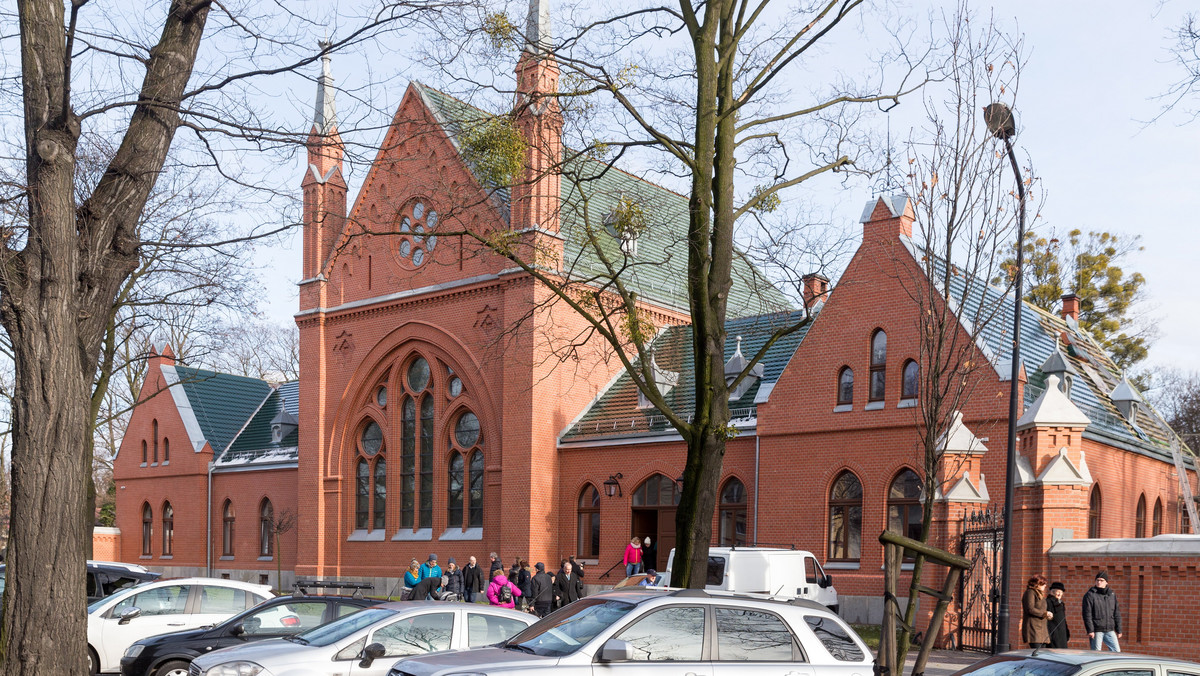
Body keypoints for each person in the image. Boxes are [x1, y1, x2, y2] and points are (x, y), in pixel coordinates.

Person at [1082, 570, 1122, 652]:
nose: (1099, 582)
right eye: (1097, 580)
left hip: (1110, 629)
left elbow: (1116, 613)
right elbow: (1087, 614)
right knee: (1096, 653)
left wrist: (1119, 629)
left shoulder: (1111, 595)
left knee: (1117, 651)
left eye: (1101, 580)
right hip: (1097, 630)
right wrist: (1090, 630)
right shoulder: (1090, 595)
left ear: (1106, 582)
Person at [1022, 574, 1052, 649]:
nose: (1045, 586)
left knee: (1042, 654)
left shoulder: (1040, 594)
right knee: (1037, 653)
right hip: (1034, 629)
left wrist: (1048, 615)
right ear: (1037, 584)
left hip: (1042, 629)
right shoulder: (1030, 592)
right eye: (1043, 584)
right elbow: (1030, 609)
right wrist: (1044, 614)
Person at [1047, 582, 1071, 649]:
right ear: (1052, 592)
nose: (1060, 594)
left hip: (1062, 634)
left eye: (1061, 592)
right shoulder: (1048, 602)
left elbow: (1063, 620)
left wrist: (1067, 634)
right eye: (1058, 592)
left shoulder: (1061, 603)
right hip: (1053, 633)